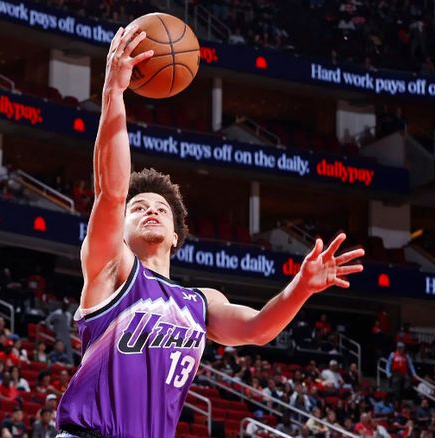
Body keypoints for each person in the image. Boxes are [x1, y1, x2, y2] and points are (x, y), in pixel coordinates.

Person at [55, 24, 365, 438]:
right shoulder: (111, 270)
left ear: (176, 236)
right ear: (120, 231)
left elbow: (258, 329)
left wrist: (301, 287)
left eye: (160, 208)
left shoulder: (201, 303)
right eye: (139, 208)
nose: (151, 210)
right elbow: (111, 193)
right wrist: (114, 90)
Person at [42, 299, 74, 365]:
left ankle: (70, 364)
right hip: (59, 336)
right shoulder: (57, 313)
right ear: (62, 305)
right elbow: (47, 320)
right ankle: (55, 364)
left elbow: (68, 325)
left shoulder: (68, 315)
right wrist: (52, 328)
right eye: (65, 305)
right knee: (58, 350)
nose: (66, 307)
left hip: (67, 336)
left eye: (67, 306)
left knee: (69, 351)